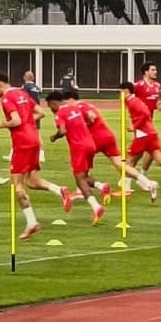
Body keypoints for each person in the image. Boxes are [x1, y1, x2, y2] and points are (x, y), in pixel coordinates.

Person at [0, 72, 71, 241]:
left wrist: (3, 124)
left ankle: (32, 223)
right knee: (31, 181)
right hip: (34, 140)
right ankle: (59, 190)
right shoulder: (22, 93)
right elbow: (41, 112)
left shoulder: (6, 98)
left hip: (22, 143)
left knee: (17, 186)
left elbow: (16, 120)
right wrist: (27, 121)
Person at [75, 94, 159, 202]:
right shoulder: (87, 104)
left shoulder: (78, 107)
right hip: (108, 137)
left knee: (81, 168)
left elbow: (91, 116)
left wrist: (83, 124)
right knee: (120, 164)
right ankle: (148, 183)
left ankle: (81, 191)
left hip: (94, 140)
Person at [46, 90, 105, 225]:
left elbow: (62, 131)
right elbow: (90, 117)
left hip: (78, 147)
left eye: (50, 106)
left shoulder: (60, 113)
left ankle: (96, 207)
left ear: (53, 103)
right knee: (84, 176)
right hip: (90, 144)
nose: (51, 110)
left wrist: (54, 137)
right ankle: (101, 186)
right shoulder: (74, 107)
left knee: (79, 180)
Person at [5, 71, 46, 163]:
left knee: (18, 134)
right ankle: (41, 155)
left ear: (24, 77)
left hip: (27, 113)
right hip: (36, 112)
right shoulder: (37, 87)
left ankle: (13, 154)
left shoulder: (25, 87)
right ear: (33, 78)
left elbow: (22, 98)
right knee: (37, 134)